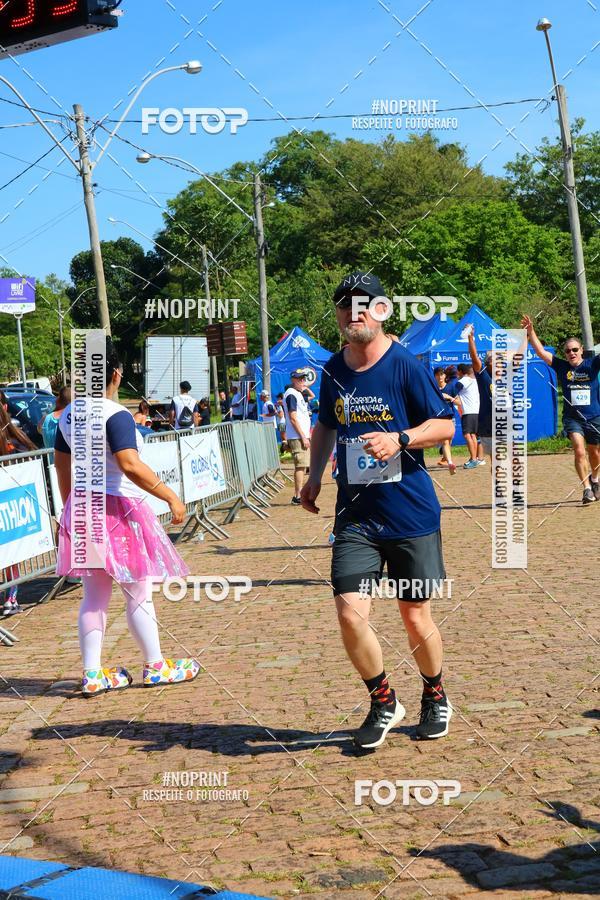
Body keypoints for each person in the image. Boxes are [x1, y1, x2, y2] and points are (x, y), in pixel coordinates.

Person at [301, 271, 455, 749]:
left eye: (363, 304)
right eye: (345, 305)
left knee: (415, 616)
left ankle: (435, 695)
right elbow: (326, 425)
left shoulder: (405, 364)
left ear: (382, 311)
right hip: (356, 517)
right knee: (350, 613)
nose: (354, 313)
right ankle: (383, 700)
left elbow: (445, 426)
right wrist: (313, 474)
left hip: (410, 514)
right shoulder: (333, 368)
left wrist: (400, 438)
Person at [54, 339, 200, 697]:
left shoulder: (68, 414)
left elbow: (62, 466)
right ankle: (155, 664)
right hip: (118, 509)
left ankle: (92, 672)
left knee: (94, 596)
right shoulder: (115, 414)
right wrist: (170, 495)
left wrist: (70, 507)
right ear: (116, 375)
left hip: (84, 508)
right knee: (138, 591)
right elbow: (129, 464)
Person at [522, 315, 600, 504]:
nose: (571, 353)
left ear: (581, 350)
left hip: (594, 416)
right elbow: (541, 352)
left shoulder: (592, 364)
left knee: (595, 452)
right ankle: (587, 489)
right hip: (573, 419)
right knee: (579, 450)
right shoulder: (562, 367)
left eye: (575, 350)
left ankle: (595, 479)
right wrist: (531, 332)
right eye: (567, 351)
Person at [0, 402, 36, 616]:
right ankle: (10, 598)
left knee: (10, 551)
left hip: (10, 503)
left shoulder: (14, 437)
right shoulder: (14, 436)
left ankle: (11, 597)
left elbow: (30, 456)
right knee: (11, 551)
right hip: (10, 502)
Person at [466, 326, 494, 463]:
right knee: (496, 459)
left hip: (505, 421)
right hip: (489, 422)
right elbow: (474, 357)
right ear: (488, 363)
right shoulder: (484, 375)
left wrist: (527, 336)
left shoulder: (505, 376)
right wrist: (471, 338)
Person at [284, 369, 312, 505]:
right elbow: (293, 418)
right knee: (300, 466)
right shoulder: (291, 394)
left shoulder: (297, 393)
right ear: (293, 380)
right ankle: (297, 496)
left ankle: (300, 494)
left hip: (300, 435)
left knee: (303, 465)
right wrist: (303, 437)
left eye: (304, 379)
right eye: (300, 379)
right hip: (297, 436)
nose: (303, 381)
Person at [452, 363, 481, 469]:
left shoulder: (462, 381)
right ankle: (474, 458)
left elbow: (452, 392)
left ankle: (473, 459)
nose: (456, 373)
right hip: (476, 411)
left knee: (467, 435)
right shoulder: (474, 381)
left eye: (457, 371)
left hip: (468, 412)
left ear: (460, 371)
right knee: (473, 435)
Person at [38, 387, 72, 459]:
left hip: (53, 464)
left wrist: (53, 408)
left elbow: (39, 429)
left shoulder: (46, 419)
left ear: (58, 400)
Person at [433, 368, 456, 474]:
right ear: (434, 376)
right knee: (445, 441)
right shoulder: (433, 388)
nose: (440, 377)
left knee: (448, 441)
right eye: (437, 375)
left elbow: (458, 402)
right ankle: (449, 462)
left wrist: (450, 398)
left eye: (442, 374)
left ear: (445, 376)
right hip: (438, 418)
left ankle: (444, 456)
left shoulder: (451, 387)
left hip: (450, 418)